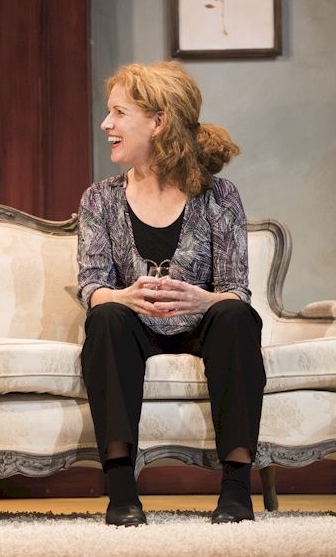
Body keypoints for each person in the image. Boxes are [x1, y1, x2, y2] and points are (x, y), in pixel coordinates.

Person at [77, 61, 265, 527]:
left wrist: (206, 300)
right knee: (106, 317)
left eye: (119, 113)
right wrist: (122, 297)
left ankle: (236, 490)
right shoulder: (100, 198)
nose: (106, 124)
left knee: (236, 316)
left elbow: (236, 289)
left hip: (203, 326)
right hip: (133, 328)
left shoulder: (218, 195)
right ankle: (122, 493)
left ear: (158, 122)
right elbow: (92, 286)